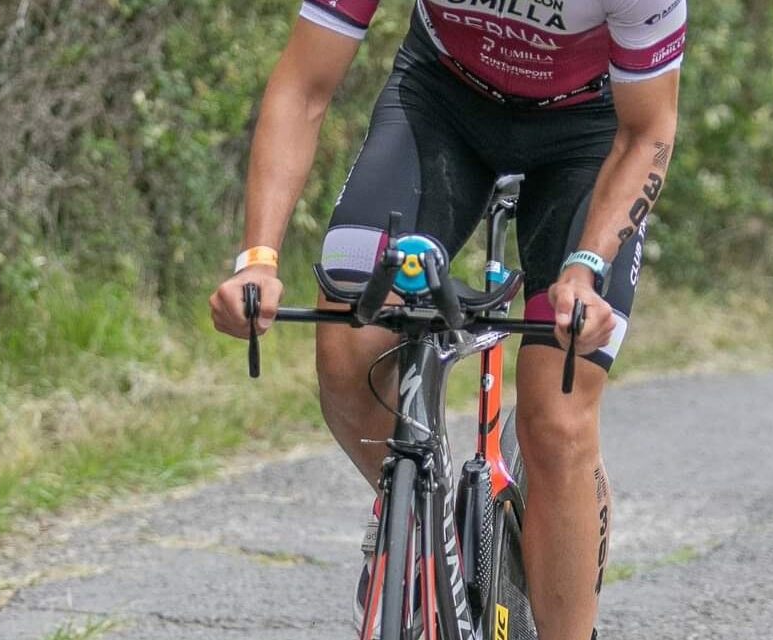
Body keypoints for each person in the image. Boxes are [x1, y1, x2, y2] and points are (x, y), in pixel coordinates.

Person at [210, 1, 686, 637]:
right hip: (442, 101)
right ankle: (411, 525)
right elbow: (303, 85)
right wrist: (257, 260)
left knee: (558, 418)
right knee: (349, 344)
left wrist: (583, 269)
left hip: (589, 134)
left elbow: (647, 130)